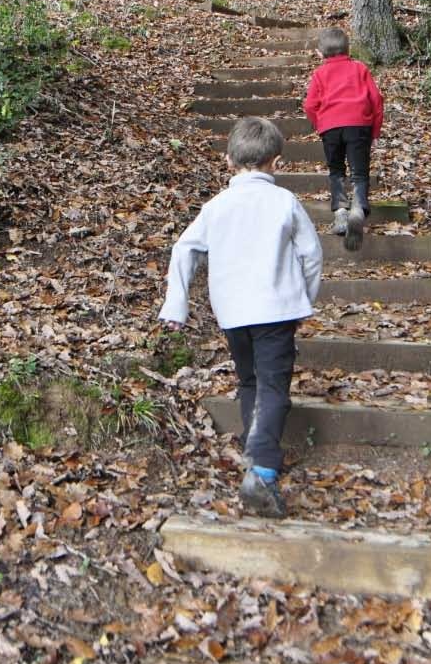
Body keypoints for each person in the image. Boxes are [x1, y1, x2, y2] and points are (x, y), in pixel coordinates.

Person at [158, 116, 323, 518]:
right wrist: (304, 300)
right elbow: (312, 255)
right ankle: (263, 469)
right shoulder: (285, 201)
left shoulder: (216, 207)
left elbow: (185, 250)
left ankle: (254, 453)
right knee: (273, 385)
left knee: (250, 380)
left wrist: (176, 304)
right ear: (276, 162)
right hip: (276, 309)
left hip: (233, 312)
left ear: (229, 161)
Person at [304, 27, 384, 252]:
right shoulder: (360, 68)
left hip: (330, 127)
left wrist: (320, 124)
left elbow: (310, 105)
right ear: (348, 49)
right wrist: (374, 131)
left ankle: (340, 212)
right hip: (359, 125)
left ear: (320, 54)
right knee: (359, 171)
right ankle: (358, 207)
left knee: (336, 169)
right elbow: (376, 100)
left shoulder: (320, 74)